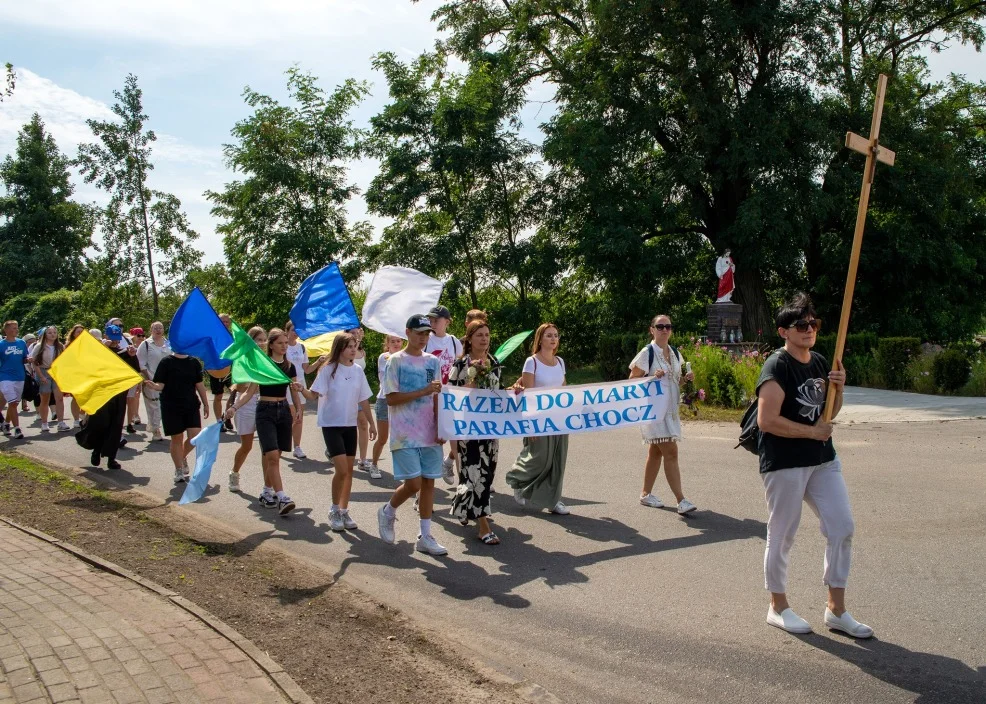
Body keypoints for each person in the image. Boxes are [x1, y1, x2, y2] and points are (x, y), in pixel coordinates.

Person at [756, 293, 871, 638]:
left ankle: (836, 610)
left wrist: (840, 389)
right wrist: (812, 432)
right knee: (783, 532)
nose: (809, 329)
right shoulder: (778, 366)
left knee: (841, 526)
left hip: (822, 459)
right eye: (801, 325)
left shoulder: (821, 362)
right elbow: (766, 421)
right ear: (783, 332)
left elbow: (828, 415)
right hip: (785, 462)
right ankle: (777, 606)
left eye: (813, 324)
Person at [376, 314, 448, 556]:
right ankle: (388, 510)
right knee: (413, 483)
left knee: (429, 482)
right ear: (407, 332)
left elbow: (436, 395)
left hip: (429, 430)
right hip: (404, 432)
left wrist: (442, 425)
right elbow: (391, 398)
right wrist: (423, 390)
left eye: (427, 333)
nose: (423, 338)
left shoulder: (432, 362)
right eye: (419, 333)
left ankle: (425, 536)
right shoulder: (395, 361)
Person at [299, 333, 376, 531]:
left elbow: (364, 399)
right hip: (331, 425)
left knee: (348, 472)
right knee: (341, 470)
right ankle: (334, 509)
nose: (353, 349)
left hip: (350, 425)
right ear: (339, 348)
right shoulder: (328, 370)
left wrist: (371, 423)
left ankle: (344, 510)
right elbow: (313, 395)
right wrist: (300, 389)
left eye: (355, 346)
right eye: (349, 346)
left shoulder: (358, 371)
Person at [628, 315, 698, 515]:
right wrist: (651, 377)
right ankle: (681, 500)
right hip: (654, 412)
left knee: (656, 453)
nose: (664, 330)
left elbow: (675, 382)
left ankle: (645, 494)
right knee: (671, 452)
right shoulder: (647, 353)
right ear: (652, 330)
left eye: (668, 326)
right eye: (660, 326)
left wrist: (685, 379)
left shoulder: (675, 353)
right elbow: (632, 381)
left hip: (671, 412)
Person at [505, 323, 571, 515]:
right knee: (540, 458)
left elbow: (564, 388)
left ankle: (553, 500)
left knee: (558, 460)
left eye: (556, 335)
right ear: (540, 339)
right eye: (549, 335)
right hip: (539, 419)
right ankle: (518, 480)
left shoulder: (560, 362)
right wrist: (530, 424)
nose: (553, 339)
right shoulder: (531, 362)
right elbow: (528, 395)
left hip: (558, 418)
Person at [448, 321, 502, 544]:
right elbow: (451, 395)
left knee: (487, 474)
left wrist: (515, 391)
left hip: (490, 428)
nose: (484, 339)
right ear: (469, 338)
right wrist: (473, 377)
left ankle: (463, 507)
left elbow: (500, 394)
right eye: (479, 335)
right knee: (474, 474)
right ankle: (483, 526)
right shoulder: (460, 364)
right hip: (468, 429)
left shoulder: (495, 362)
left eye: (487, 335)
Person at [252, 327, 302, 515]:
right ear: (271, 345)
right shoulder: (263, 364)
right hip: (265, 411)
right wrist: (234, 407)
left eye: (286, 343)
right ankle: (282, 497)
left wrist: (298, 409)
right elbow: (250, 390)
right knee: (272, 456)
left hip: (283, 411)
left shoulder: (290, 366)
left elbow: (293, 389)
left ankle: (267, 491)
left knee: (276, 455)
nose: (284, 346)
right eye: (280, 343)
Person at [146, 349, 209, 483]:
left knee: (195, 437)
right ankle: (179, 469)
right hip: (171, 406)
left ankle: (182, 457)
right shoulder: (166, 362)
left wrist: (205, 403)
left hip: (191, 404)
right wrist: (154, 386)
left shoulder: (194, 363)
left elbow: (199, 384)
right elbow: (160, 384)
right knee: (177, 438)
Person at [75, 324, 130, 469]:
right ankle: (96, 450)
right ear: (106, 337)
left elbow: (133, 371)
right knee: (100, 424)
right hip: (101, 394)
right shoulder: (97, 351)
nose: (115, 342)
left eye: (117, 340)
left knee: (116, 426)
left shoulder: (123, 352)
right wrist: (102, 350)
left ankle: (111, 458)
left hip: (118, 394)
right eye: (112, 339)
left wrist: (132, 356)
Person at [224, 326, 268, 493]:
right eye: (259, 340)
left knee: (267, 448)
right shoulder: (242, 359)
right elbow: (241, 387)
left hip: (264, 404)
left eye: (265, 339)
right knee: (247, 446)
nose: (263, 343)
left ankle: (268, 487)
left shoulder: (268, 360)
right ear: (251, 341)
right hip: (245, 405)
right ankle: (234, 472)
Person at [424, 305, 462, 484]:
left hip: (450, 396)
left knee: (457, 435)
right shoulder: (425, 340)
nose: (432, 323)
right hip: (429, 395)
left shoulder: (454, 341)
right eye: (430, 320)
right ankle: (425, 480)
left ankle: (454, 468)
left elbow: (462, 367)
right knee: (432, 437)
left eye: (436, 320)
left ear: (447, 322)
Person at [368, 335, 404, 479]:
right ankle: (374, 464)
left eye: (398, 341)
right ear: (387, 343)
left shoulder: (406, 357)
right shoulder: (385, 357)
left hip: (402, 400)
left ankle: (403, 470)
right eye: (393, 341)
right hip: (384, 399)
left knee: (401, 438)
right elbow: (391, 375)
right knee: (382, 438)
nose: (396, 344)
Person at [284, 321, 320, 460]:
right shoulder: (283, 346)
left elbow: (306, 369)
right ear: (286, 331)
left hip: (300, 385)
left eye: (297, 330)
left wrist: (318, 362)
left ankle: (297, 447)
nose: (295, 332)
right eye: (293, 329)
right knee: (289, 416)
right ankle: (279, 441)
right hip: (286, 386)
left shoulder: (302, 347)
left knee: (299, 418)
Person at [29, 326, 69, 433]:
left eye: (55, 332)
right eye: (50, 333)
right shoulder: (39, 346)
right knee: (45, 399)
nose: (53, 334)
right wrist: (41, 376)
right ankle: (44, 423)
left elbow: (64, 361)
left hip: (56, 372)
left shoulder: (60, 346)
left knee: (59, 398)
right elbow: (35, 362)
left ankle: (60, 423)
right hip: (43, 371)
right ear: (45, 335)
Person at [136, 321, 171, 441]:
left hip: (167, 380)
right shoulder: (146, 344)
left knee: (165, 405)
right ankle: (156, 429)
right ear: (151, 330)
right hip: (151, 379)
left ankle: (161, 426)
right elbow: (141, 363)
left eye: (160, 328)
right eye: (156, 328)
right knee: (154, 405)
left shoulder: (168, 343)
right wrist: (148, 378)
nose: (158, 330)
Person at [346, 326, 373, 471]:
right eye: (353, 333)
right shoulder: (344, 352)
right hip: (345, 392)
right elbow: (348, 360)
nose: (356, 335)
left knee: (363, 424)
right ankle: (335, 450)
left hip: (359, 391)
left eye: (358, 333)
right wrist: (355, 342)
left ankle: (362, 460)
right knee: (345, 425)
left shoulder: (362, 352)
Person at [0, 320, 29, 439]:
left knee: (14, 404)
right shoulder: (1, 344)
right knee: (12, 403)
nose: (16, 330)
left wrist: (29, 360)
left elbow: (24, 358)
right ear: (6, 330)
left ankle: (6, 424)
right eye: (13, 328)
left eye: (17, 328)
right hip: (5, 377)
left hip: (20, 376)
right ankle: (17, 429)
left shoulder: (21, 343)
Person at [209, 313, 235, 432]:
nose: (225, 324)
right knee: (218, 396)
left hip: (230, 369)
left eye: (227, 322)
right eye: (222, 321)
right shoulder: (212, 337)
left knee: (234, 393)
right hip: (216, 370)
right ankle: (219, 421)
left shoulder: (232, 336)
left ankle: (227, 415)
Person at [63, 325, 86, 426]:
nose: (80, 333)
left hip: (87, 374)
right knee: (76, 397)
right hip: (75, 374)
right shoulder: (68, 346)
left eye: (82, 331)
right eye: (78, 332)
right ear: (73, 334)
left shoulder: (89, 345)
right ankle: (76, 419)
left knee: (87, 396)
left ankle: (83, 414)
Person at [126, 328, 146, 427]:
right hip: (128, 375)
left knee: (136, 395)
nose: (141, 337)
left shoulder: (144, 346)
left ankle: (136, 415)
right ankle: (129, 417)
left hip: (138, 374)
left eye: (143, 335)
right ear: (133, 336)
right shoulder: (129, 347)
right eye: (138, 335)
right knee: (129, 398)